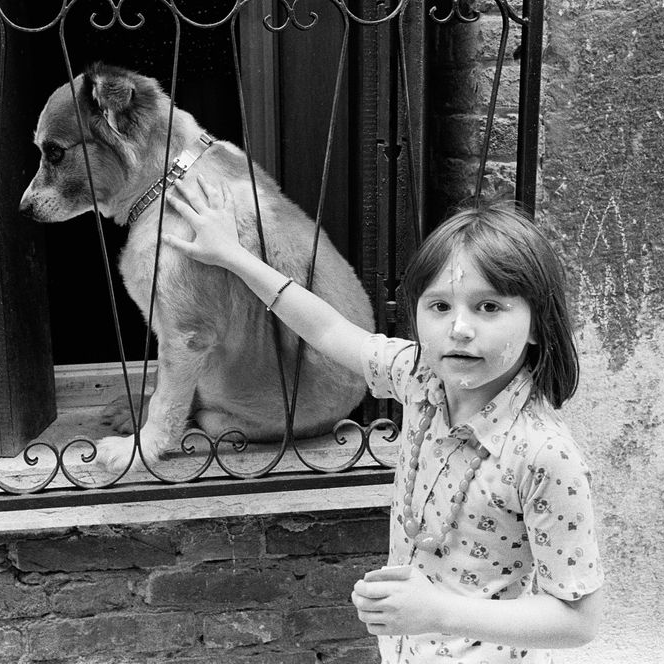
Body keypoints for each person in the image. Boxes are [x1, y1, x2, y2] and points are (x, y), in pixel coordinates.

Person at [162, 175, 605, 663]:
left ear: (539, 323)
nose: (459, 328)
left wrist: (436, 612)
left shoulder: (544, 454)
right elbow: (327, 327)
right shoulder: (419, 377)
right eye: (439, 305)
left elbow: (578, 619)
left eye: (489, 307)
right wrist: (233, 256)